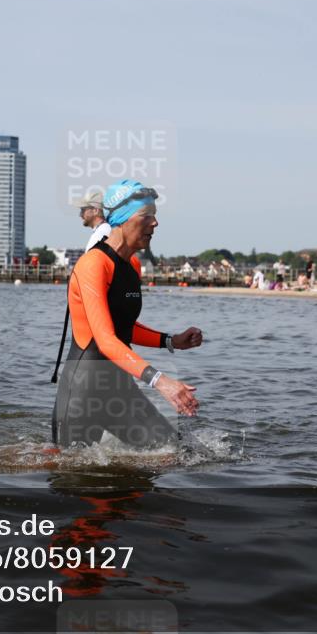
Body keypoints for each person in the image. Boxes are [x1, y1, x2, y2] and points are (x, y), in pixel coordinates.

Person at [52, 180, 203, 449]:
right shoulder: (93, 264)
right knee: (69, 469)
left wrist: (170, 340)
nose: (155, 222)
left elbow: (123, 326)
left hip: (119, 387)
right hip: (83, 391)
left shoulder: (132, 264)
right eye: (147, 215)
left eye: (155, 215)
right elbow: (105, 339)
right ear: (122, 219)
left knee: (174, 451)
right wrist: (161, 381)